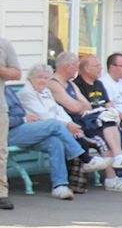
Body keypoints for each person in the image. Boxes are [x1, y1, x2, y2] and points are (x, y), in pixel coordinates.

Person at [18, 64, 116, 193]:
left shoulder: (45, 91)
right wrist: (67, 125)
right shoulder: (26, 92)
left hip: (49, 130)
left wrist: (69, 123)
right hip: (29, 130)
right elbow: (44, 115)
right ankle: (86, 158)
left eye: (46, 78)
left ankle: (60, 185)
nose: (43, 80)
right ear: (30, 79)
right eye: (39, 77)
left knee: (55, 142)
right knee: (56, 124)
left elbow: (57, 109)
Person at [74, 54, 122, 191]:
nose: (100, 68)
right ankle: (120, 176)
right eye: (96, 66)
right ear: (85, 69)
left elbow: (109, 106)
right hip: (89, 126)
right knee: (107, 138)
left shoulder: (98, 84)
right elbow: (83, 110)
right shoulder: (77, 85)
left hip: (106, 124)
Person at [0, 36, 20, 209]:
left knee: (1, 151)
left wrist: (1, 70)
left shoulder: (4, 44)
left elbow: (16, 72)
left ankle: (1, 193)